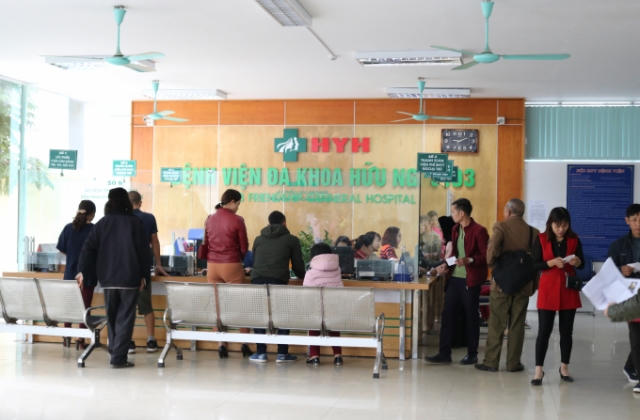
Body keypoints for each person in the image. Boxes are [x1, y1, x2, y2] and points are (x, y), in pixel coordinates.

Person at [76, 187, 150, 368]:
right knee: (125, 318)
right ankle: (118, 358)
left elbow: (87, 249)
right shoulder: (135, 223)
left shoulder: (102, 223)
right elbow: (144, 252)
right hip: (130, 278)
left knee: (112, 317)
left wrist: (83, 271)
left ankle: (115, 354)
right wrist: (144, 275)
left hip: (108, 279)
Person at [475, 198, 539, 373]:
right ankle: (513, 363)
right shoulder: (534, 233)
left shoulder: (501, 227)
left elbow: (491, 254)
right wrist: (533, 285)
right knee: (517, 324)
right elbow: (536, 262)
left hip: (501, 284)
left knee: (497, 322)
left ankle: (491, 362)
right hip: (524, 284)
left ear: (508, 212)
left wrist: (494, 266)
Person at [426, 198, 488, 365]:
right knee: (447, 315)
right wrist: (444, 265)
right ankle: (444, 353)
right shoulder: (455, 229)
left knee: (471, 317)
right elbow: (454, 255)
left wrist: (469, 260)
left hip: (470, 280)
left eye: (453, 212)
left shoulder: (479, 231)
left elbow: (485, 257)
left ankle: (472, 354)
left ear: (461, 213)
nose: (452, 215)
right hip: (454, 279)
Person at [530, 207, 583, 385]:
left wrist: (577, 261)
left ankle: (564, 367)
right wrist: (550, 263)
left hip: (568, 289)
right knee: (544, 331)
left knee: (566, 332)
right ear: (550, 224)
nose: (561, 229)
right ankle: (538, 370)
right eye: (557, 225)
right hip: (548, 289)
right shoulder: (541, 239)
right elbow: (534, 265)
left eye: (564, 226)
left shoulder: (574, 239)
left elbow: (581, 263)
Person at [250, 210, 306, 363]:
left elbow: (254, 261)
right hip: (278, 281)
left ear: (269, 223)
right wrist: (304, 276)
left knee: (260, 315)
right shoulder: (291, 240)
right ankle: (282, 354)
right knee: (283, 315)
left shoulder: (258, 239)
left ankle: (261, 353)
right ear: (284, 223)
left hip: (257, 281)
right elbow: (298, 265)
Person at [203, 188, 250, 358]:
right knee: (240, 305)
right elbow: (244, 247)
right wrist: (240, 261)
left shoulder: (209, 219)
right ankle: (244, 343)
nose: (238, 207)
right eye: (238, 204)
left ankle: (221, 344)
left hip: (212, 266)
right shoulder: (238, 220)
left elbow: (206, 243)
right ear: (231, 202)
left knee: (217, 306)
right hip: (231, 264)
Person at [127, 190, 168, 354]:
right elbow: (155, 242)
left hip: (125, 268)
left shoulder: (122, 219)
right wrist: (158, 264)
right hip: (142, 268)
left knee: (127, 307)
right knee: (146, 306)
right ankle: (151, 340)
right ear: (140, 203)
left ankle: (128, 341)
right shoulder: (148, 218)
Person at [606, 203, 640, 388]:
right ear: (627, 221)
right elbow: (608, 273)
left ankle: (630, 366)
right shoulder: (618, 245)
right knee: (636, 334)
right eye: (634, 220)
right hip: (629, 295)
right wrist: (621, 270)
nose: (638, 224)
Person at [56, 199, 96, 349]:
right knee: (85, 308)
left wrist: (73, 256)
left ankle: (66, 336)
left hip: (70, 274)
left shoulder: (68, 228)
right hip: (87, 274)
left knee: (69, 306)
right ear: (91, 215)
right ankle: (81, 339)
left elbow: (62, 249)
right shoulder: (93, 229)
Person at [303, 242, 344, 366]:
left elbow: (305, 293)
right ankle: (337, 356)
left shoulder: (310, 272)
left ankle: (314, 356)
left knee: (314, 323)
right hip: (334, 310)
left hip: (315, 310)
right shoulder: (337, 270)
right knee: (333, 326)